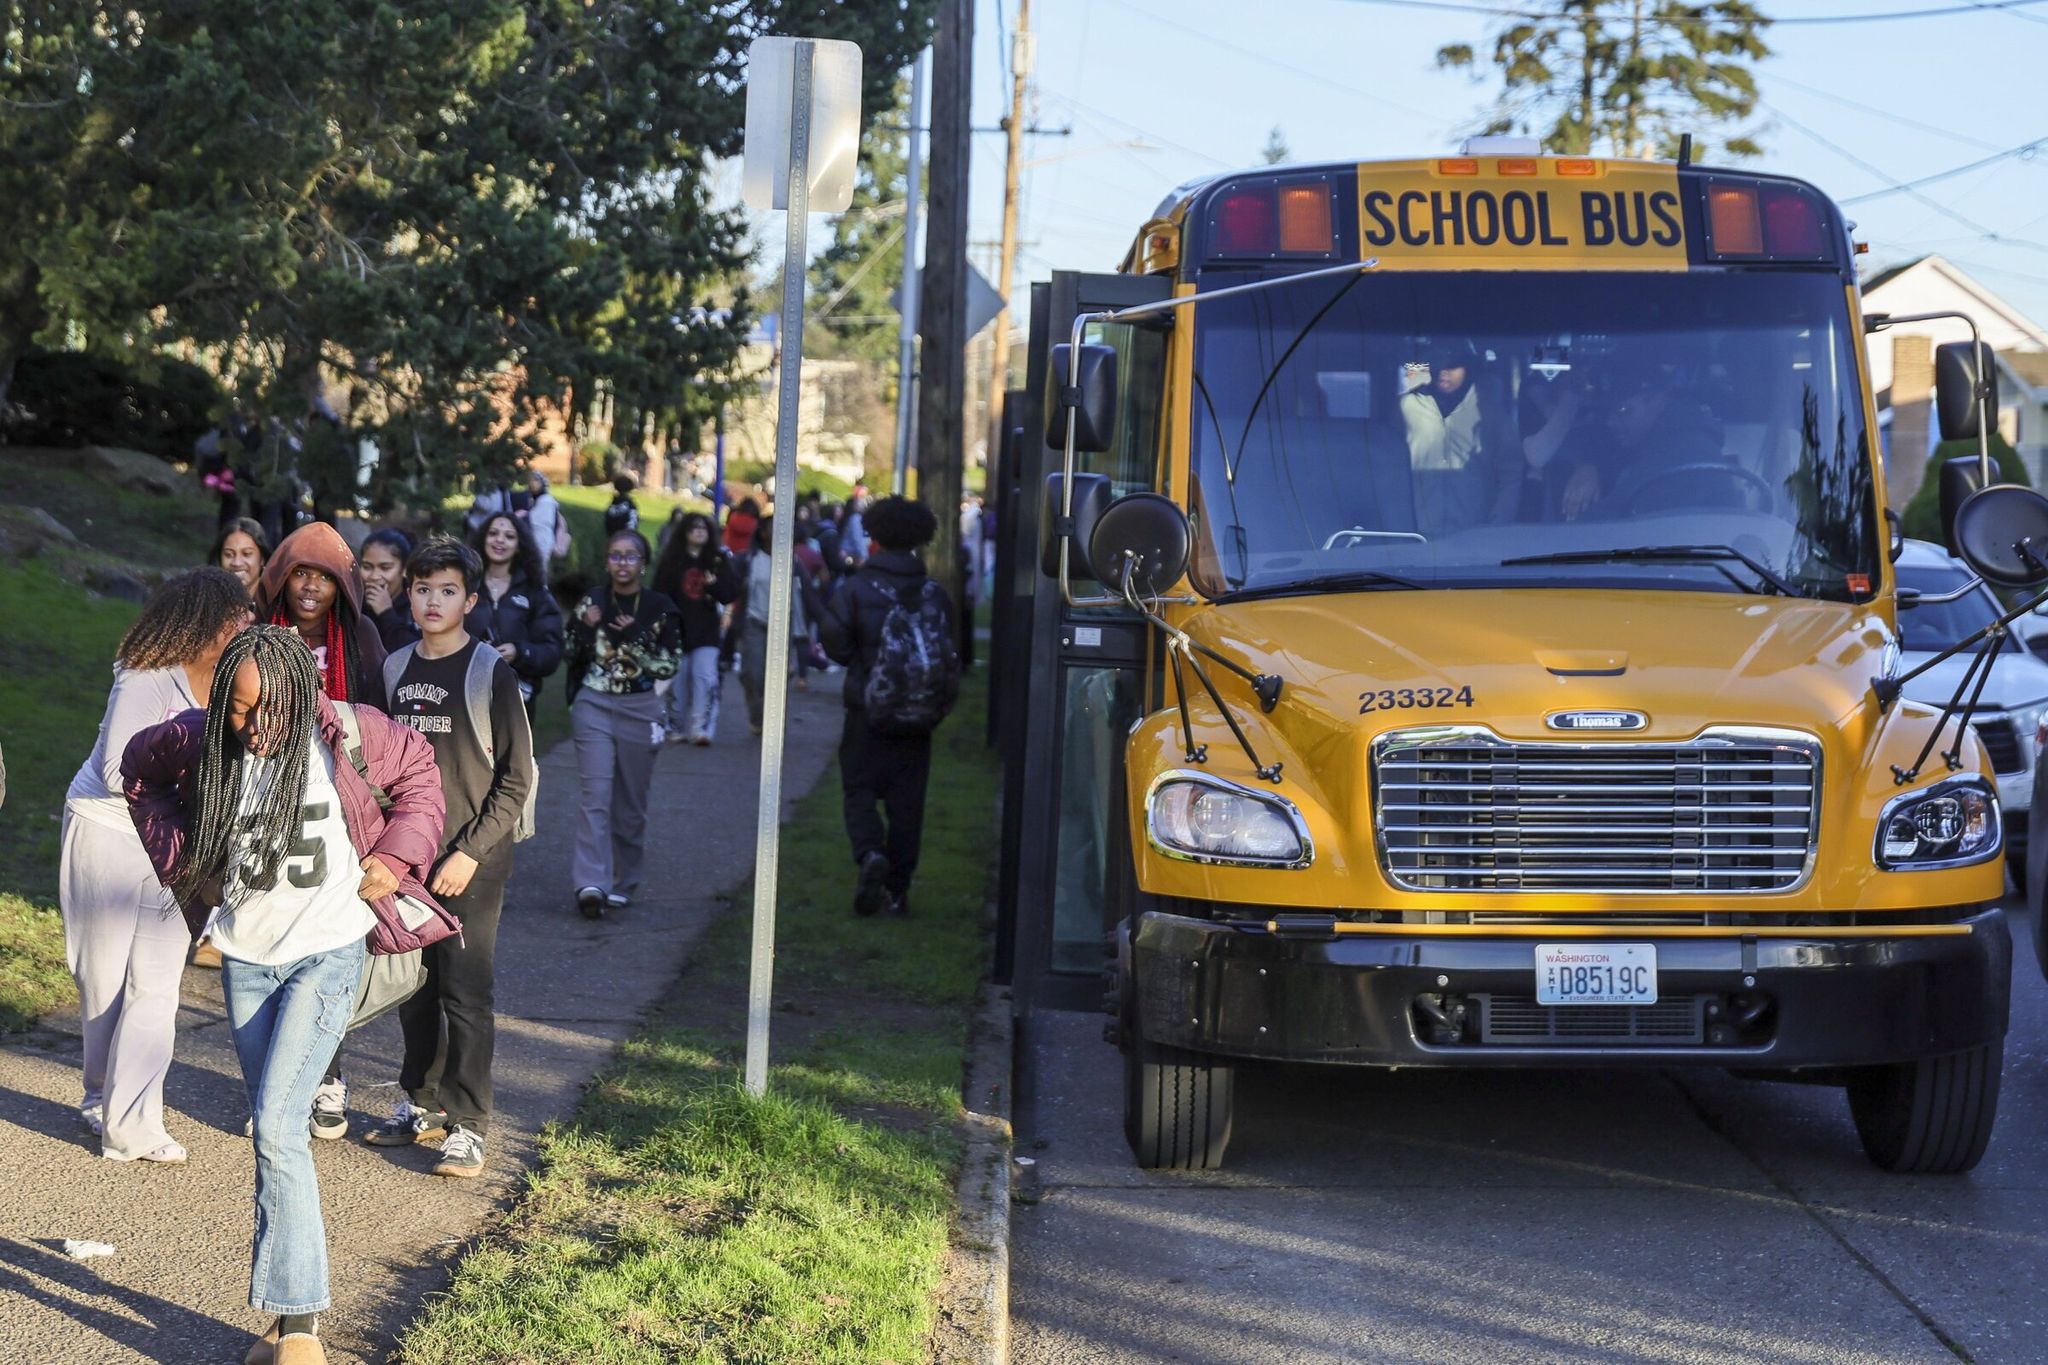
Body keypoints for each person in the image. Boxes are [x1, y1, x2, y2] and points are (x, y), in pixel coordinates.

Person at [122, 625, 444, 1365]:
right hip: (246, 959)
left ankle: (300, 1334)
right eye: (239, 711)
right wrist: (187, 867)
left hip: (326, 950)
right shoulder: (199, 741)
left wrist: (395, 858)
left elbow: (421, 773)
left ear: (301, 697)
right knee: (280, 1131)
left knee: (273, 1124)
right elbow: (139, 775)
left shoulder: (344, 733)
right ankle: (284, 1319)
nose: (256, 727)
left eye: (271, 711)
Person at [62, 569, 250, 1162]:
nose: (249, 629)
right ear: (209, 626)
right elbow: (121, 772)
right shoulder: (146, 675)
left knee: (158, 983)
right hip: (108, 831)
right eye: (239, 621)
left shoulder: (230, 684)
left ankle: (134, 1122)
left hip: (175, 843)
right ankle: (99, 1096)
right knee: (102, 981)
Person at [367, 538, 535, 1179]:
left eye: (446, 591)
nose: (432, 601)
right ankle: (422, 1102)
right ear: (407, 594)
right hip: (407, 859)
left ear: (469, 600)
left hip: (473, 858)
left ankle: (469, 1124)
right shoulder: (395, 669)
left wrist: (468, 852)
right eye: (421, 588)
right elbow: (378, 763)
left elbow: (516, 780)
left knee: (465, 993)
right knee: (413, 988)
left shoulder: (491, 671)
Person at [253, 521, 387, 1137]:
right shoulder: (257, 639)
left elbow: (378, 729)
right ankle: (275, 1091)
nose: (311, 589)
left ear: (343, 590)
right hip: (264, 808)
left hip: (336, 810)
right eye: (301, 575)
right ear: (282, 580)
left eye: (325, 580)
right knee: (271, 943)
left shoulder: (358, 640)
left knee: (327, 945)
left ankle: (328, 1079)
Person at [818, 497, 958, 917]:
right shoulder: (934, 592)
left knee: (858, 789)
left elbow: (836, 645)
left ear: (874, 535)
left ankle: (869, 853)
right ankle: (897, 891)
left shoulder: (856, 589)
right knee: (907, 805)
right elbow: (951, 652)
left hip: (867, 713)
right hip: (918, 719)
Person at [566, 529, 680, 917]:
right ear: (606, 561)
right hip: (594, 705)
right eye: (615, 555)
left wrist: (632, 635)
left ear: (643, 562)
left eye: (631, 556)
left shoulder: (660, 607)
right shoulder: (593, 601)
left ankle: (624, 880)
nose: (622, 563)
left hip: (640, 707)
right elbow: (569, 650)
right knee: (594, 798)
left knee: (630, 804)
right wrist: (586, 627)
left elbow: (668, 664)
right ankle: (591, 883)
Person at [650, 511, 737, 745]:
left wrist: (713, 585)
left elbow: (729, 594)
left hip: (706, 632)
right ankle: (675, 727)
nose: (699, 532)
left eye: (704, 528)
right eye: (694, 528)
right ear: (684, 533)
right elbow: (659, 596)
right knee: (676, 686)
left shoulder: (717, 561)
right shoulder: (672, 561)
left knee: (704, 679)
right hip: (676, 633)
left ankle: (700, 729)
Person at [467, 511, 564, 716]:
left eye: (509, 536)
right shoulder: (464, 586)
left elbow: (552, 652)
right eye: (493, 533)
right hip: (464, 697)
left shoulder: (535, 592)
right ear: (483, 538)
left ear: (519, 545)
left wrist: (519, 652)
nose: (499, 540)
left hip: (516, 704)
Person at [1401, 339, 1491, 535]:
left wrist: (1497, 524)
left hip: (1476, 539)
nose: (1444, 371)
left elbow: (1510, 471)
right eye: (1437, 363)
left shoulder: (1488, 411)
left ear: (1468, 368)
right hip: (1415, 536)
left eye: (1453, 365)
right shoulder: (1404, 408)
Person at [736, 518, 814, 735]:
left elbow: (807, 593)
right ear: (762, 533)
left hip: (782, 624)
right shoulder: (749, 559)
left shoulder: (792, 561)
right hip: (755, 622)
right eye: (773, 529)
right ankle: (756, 715)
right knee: (753, 674)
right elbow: (731, 587)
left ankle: (771, 720)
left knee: (777, 676)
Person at [359, 528, 419, 654]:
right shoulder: (353, 604)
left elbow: (414, 655)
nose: (375, 576)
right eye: (367, 567)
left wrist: (386, 613)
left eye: (385, 568)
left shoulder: (418, 605)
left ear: (404, 570)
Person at [212, 518, 271, 596]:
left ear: (262, 559)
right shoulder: (207, 600)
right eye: (228, 554)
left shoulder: (275, 601)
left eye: (246, 554)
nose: (237, 563)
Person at [524, 470, 564, 581]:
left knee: (539, 572)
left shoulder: (546, 501)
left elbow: (535, 521)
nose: (532, 483)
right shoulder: (533, 501)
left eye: (536, 480)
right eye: (531, 480)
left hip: (542, 542)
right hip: (535, 542)